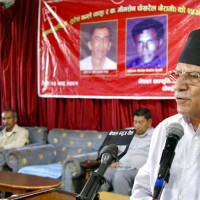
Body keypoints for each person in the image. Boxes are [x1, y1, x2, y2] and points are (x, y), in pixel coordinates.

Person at [131, 29, 200, 199]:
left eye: (192, 76)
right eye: (177, 75)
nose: (178, 86)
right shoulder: (167, 129)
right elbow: (143, 187)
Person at [100, 108, 154, 195]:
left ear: (149, 122)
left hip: (137, 171)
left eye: (140, 122)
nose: (137, 126)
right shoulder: (127, 132)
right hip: (120, 167)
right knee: (100, 174)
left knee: (120, 176)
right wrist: (112, 160)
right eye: (135, 122)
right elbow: (112, 147)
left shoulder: (155, 136)